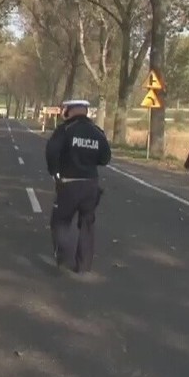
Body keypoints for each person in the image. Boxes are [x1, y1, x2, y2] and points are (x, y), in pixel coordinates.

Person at [45, 99, 111, 274]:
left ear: (70, 111)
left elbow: (52, 152)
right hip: (90, 184)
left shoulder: (65, 130)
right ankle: (84, 265)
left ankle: (64, 256)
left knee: (60, 221)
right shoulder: (97, 132)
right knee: (87, 223)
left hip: (69, 184)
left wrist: (55, 172)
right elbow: (105, 158)